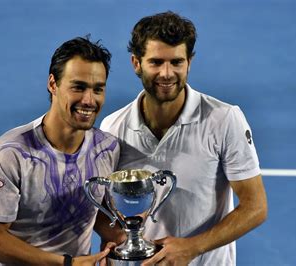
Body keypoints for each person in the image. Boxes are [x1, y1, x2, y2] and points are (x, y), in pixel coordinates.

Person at [100, 11, 268, 266]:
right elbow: (106, 210)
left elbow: (255, 207)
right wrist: (119, 241)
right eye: (156, 62)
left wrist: (191, 248)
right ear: (136, 63)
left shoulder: (224, 119)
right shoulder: (112, 127)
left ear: (189, 62)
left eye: (176, 62)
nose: (167, 73)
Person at [0, 36, 123, 266]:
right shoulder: (7, 155)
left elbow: (99, 212)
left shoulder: (107, 148)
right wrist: (66, 264)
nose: (89, 100)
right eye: (78, 87)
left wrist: (122, 239)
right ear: (53, 84)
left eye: (98, 89)